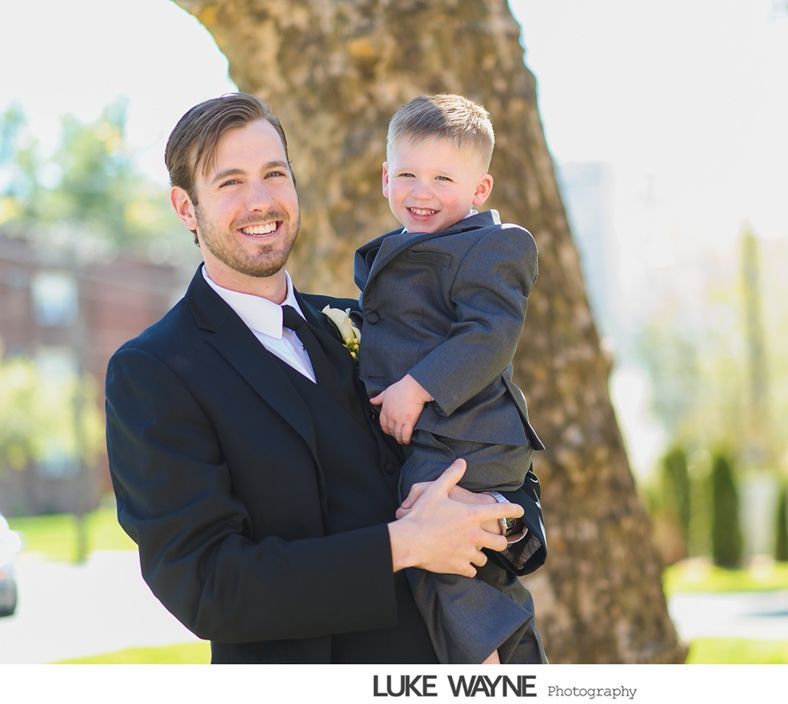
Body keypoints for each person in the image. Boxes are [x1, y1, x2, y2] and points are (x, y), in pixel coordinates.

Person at [104, 93, 546, 664]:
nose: (260, 200)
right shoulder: (153, 371)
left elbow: (490, 436)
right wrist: (404, 545)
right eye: (230, 182)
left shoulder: (364, 321)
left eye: (273, 174)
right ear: (186, 208)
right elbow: (210, 586)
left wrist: (493, 524)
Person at [354, 94, 545, 664]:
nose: (421, 191)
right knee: (443, 553)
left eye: (443, 177)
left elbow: (489, 335)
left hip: (470, 436)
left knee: (431, 541)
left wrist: (416, 386)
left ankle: (496, 673)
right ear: (386, 176)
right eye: (407, 174)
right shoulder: (405, 247)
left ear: (478, 190)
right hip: (442, 437)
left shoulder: (494, 245)